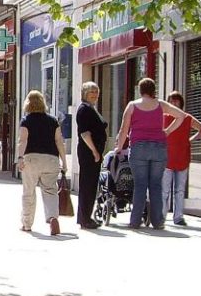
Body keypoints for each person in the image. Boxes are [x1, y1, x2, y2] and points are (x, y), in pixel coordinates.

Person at [116, 76, 188, 230]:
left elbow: (124, 129)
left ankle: (135, 221)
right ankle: (158, 222)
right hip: (159, 148)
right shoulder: (161, 104)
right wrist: (167, 131)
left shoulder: (132, 106)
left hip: (138, 148)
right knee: (156, 185)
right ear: (153, 90)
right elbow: (181, 115)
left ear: (140, 90)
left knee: (140, 185)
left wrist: (119, 147)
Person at [15, 90, 67, 235]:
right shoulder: (52, 120)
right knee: (50, 190)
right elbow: (59, 142)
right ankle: (52, 218)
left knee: (29, 192)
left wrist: (20, 158)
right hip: (51, 159)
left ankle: (27, 224)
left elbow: (23, 140)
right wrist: (64, 161)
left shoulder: (26, 120)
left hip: (31, 158)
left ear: (28, 104)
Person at [162, 90, 201, 226]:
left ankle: (178, 217)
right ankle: (161, 217)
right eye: (171, 100)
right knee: (164, 191)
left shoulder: (187, 118)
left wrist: (189, 140)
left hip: (182, 158)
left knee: (180, 191)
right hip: (166, 159)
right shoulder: (163, 116)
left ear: (181, 103)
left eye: (176, 100)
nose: (174, 103)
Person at [73, 82, 108, 230]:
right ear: (84, 93)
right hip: (89, 153)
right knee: (88, 186)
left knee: (91, 185)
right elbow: (85, 133)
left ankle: (86, 217)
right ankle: (85, 218)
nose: (94, 94)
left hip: (93, 153)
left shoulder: (91, 108)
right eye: (91, 91)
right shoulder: (84, 109)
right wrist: (94, 151)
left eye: (96, 91)